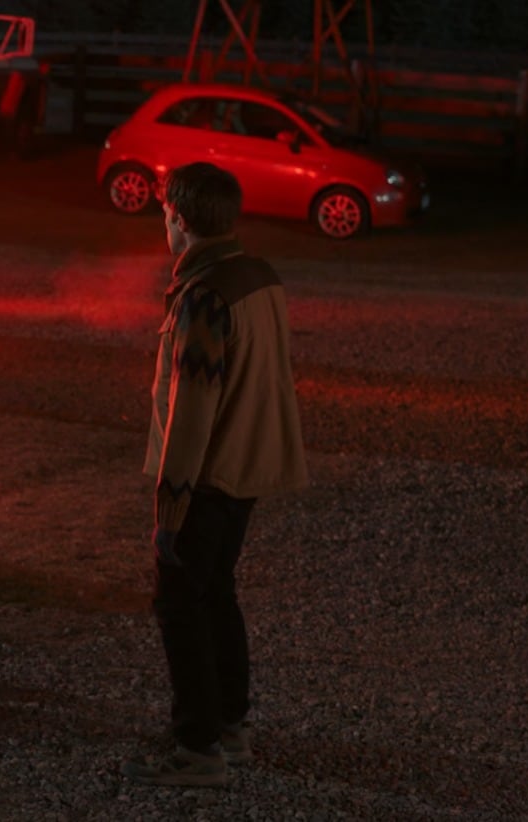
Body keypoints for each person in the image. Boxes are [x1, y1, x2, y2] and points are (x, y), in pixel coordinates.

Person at [122, 163, 308, 787]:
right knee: (216, 594)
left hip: (206, 478)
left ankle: (197, 748)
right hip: (249, 468)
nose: (164, 223)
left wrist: (168, 509)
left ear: (177, 216)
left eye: (165, 214)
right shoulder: (258, 276)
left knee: (180, 604)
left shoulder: (203, 296)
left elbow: (191, 411)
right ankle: (231, 726)